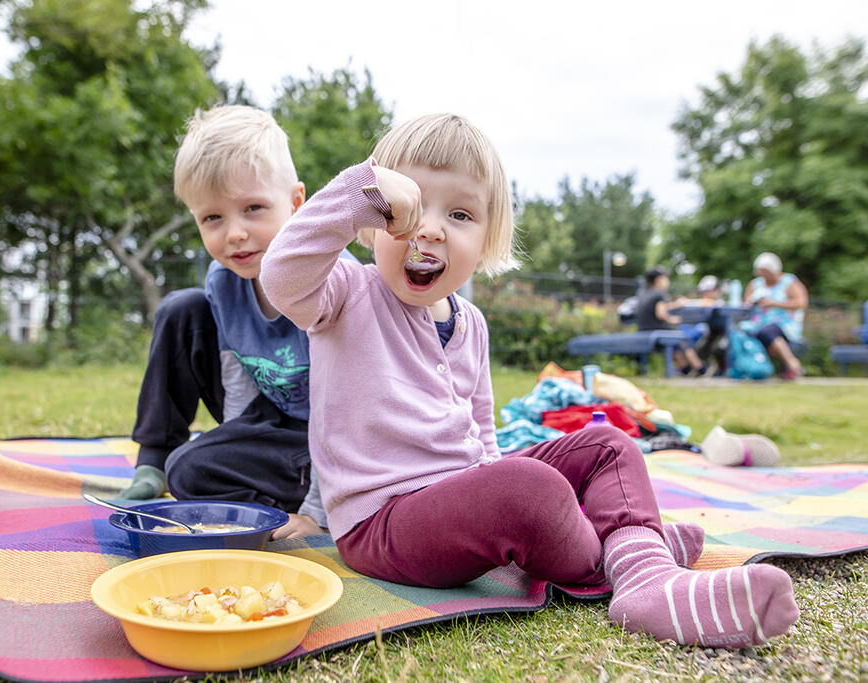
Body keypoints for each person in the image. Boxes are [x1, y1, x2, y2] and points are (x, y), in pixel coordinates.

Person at [261, 113, 798, 648]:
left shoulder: (471, 324)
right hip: (382, 524)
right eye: (409, 207)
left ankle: (641, 568)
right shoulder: (344, 294)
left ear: (486, 238)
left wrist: (495, 478)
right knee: (530, 491)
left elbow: (480, 429)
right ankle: (620, 552)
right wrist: (360, 190)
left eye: (460, 213)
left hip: (463, 491)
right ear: (369, 223)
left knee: (608, 444)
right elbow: (281, 272)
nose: (429, 228)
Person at [123, 105, 323, 539]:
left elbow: (355, 411)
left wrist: (316, 513)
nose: (234, 233)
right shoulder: (226, 279)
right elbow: (239, 372)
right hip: (272, 416)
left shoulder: (330, 282)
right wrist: (231, 446)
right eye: (213, 217)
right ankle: (154, 456)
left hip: (336, 436)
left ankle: (293, 505)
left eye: (253, 208)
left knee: (194, 474)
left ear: (295, 203)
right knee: (182, 308)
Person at [743, 252, 807, 380]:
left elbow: (801, 303)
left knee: (769, 332)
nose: (763, 275)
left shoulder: (789, 282)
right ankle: (789, 366)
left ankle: (792, 365)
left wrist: (775, 303)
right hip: (757, 323)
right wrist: (752, 302)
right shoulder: (755, 284)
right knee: (741, 333)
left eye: (765, 272)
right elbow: (745, 302)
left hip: (784, 325)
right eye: (760, 272)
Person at [635, 266, 706, 375]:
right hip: (656, 332)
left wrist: (675, 305)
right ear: (658, 280)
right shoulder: (659, 294)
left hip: (644, 330)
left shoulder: (645, 293)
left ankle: (686, 369)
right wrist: (671, 319)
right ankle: (701, 369)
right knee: (684, 340)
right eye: (665, 278)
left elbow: (658, 307)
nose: (668, 281)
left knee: (676, 342)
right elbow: (661, 314)